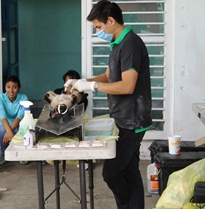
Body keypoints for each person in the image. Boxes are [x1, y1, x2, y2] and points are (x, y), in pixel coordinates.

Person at [65, 1, 152, 209]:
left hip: (132, 120)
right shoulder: (117, 43)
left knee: (111, 172)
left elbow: (128, 86)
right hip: (123, 117)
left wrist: (92, 86)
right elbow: (108, 75)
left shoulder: (130, 44)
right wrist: (80, 85)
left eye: (98, 26)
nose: (97, 31)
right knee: (129, 171)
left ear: (111, 21)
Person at [0, 75, 28, 166]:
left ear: (19, 88)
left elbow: (20, 116)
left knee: (20, 131)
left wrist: (10, 131)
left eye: (14, 87)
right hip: (5, 123)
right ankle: (3, 154)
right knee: (1, 131)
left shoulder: (23, 98)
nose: (11, 91)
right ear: (5, 87)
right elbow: (2, 115)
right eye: (8, 87)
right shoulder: (0, 98)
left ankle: (22, 155)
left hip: (19, 123)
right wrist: (8, 131)